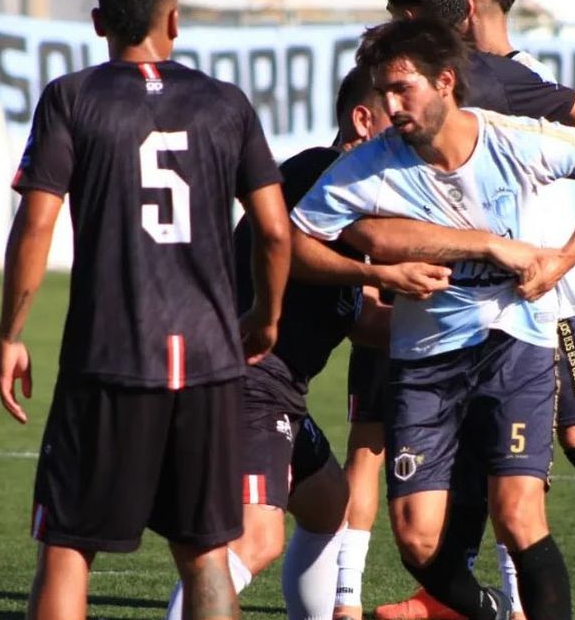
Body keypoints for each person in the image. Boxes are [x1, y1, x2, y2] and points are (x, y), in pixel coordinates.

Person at [294, 17, 575, 620]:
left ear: (446, 81)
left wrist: (566, 256)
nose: (392, 104)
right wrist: (376, 274)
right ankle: (487, 611)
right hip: (424, 363)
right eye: (384, 91)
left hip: (516, 348)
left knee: (517, 512)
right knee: (417, 537)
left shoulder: (517, 140)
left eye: (404, 88)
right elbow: (295, 242)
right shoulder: (368, 165)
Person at [366, 0, 575, 620]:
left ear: (462, 11)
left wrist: (557, 245)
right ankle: (459, 591)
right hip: (482, 300)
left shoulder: (505, 78)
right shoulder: (452, 84)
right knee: (482, 440)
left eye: (410, 19)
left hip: (545, 291)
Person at [0, 0, 290, 618]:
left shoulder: (71, 99)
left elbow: (36, 224)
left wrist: (11, 332)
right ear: (174, 18)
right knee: (207, 550)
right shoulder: (227, 104)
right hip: (211, 360)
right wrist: (265, 317)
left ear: (100, 21)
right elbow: (274, 230)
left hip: (111, 358)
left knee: (68, 546)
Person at [163, 67, 448, 620]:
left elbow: (355, 317)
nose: (411, 137)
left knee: (327, 504)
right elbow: (289, 250)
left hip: (278, 389)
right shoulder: (321, 172)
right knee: (255, 539)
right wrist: (392, 277)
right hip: (246, 379)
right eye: (398, 118)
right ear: (363, 120)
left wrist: (457, 330)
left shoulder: (357, 205)